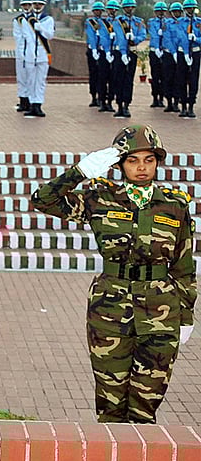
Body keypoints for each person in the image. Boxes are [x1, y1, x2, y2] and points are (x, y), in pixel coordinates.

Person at [32, 125, 195, 424]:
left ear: (158, 162)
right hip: (110, 307)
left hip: (161, 310)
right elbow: (43, 200)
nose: (142, 167)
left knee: (147, 402)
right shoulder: (100, 198)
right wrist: (78, 173)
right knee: (110, 401)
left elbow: (184, 265)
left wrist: (186, 316)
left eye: (148, 159)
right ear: (119, 164)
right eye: (132, 160)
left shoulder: (174, 204)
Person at [20, 0, 55, 118]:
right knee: (30, 80)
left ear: (44, 5)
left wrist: (41, 29)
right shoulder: (26, 20)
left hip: (43, 53)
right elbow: (26, 37)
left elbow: (50, 35)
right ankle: (31, 104)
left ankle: (38, 104)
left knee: (40, 81)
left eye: (40, 4)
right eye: (35, 4)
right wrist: (28, 53)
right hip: (30, 54)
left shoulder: (48, 19)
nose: (37, 6)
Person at [84, 2, 111, 109]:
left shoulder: (106, 22)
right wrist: (94, 49)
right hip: (93, 50)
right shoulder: (90, 21)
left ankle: (102, 96)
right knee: (93, 74)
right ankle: (94, 96)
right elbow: (91, 36)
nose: (98, 12)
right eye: (96, 10)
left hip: (103, 51)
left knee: (102, 75)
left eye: (100, 10)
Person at [147, 1, 170, 109]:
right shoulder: (152, 22)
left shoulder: (168, 22)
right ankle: (155, 97)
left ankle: (162, 97)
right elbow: (154, 35)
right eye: (158, 11)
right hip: (154, 51)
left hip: (165, 51)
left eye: (162, 11)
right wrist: (156, 48)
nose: (161, 13)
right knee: (155, 75)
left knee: (164, 75)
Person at [12, 0, 33, 113]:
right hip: (21, 51)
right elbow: (17, 36)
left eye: (29, 5)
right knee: (21, 77)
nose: (27, 7)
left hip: (32, 52)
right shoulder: (18, 20)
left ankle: (31, 101)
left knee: (31, 77)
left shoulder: (35, 19)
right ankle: (23, 100)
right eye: (24, 5)